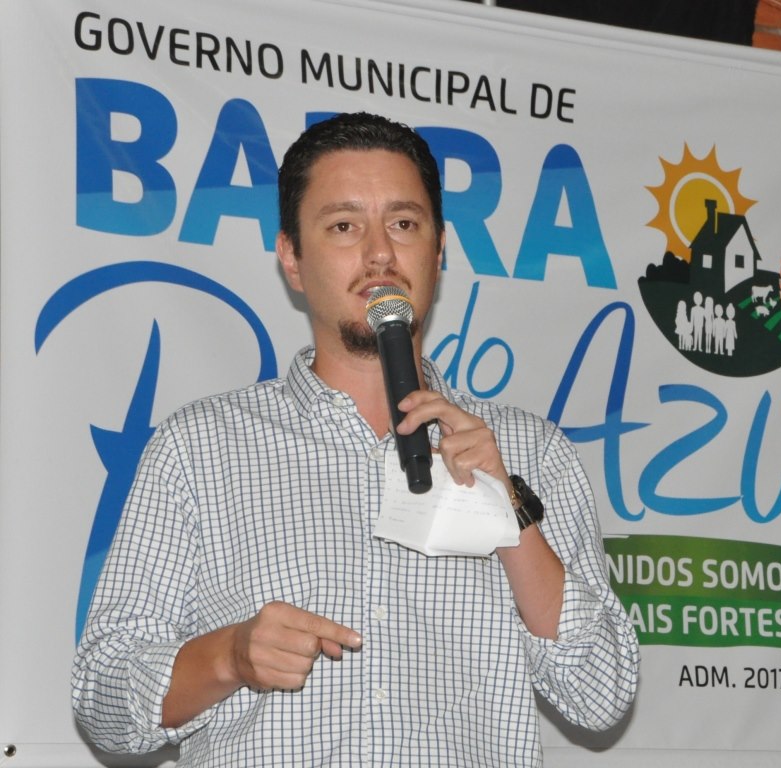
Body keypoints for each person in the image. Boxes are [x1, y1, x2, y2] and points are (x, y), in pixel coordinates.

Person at [72, 112, 639, 767]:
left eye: (404, 224)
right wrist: (229, 656)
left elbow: (601, 695)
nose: (380, 254)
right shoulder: (199, 449)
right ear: (292, 257)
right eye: (344, 226)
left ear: (439, 249)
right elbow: (103, 701)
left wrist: (507, 505)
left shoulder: (528, 451)